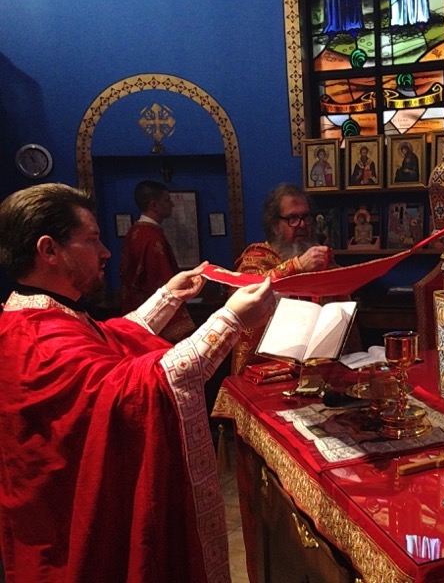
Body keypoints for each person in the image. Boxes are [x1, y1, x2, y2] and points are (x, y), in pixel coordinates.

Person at [0, 183, 275, 582]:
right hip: (66, 535)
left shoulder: (42, 314)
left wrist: (167, 296)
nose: (106, 251)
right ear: (49, 250)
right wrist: (229, 322)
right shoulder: (35, 338)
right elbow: (128, 386)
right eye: (92, 240)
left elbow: (110, 340)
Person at [230, 183, 339, 374]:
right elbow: (248, 292)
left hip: (320, 365)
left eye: (306, 217)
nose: (303, 225)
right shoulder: (257, 258)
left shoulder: (320, 259)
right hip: (269, 368)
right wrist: (296, 266)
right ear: (274, 225)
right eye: (292, 218)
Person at [120, 179, 195, 342]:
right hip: (154, 323)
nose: (172, 205)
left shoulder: (134, 231)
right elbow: (162, 280)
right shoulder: (152, 238)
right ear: (153, 205)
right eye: (167, 200)